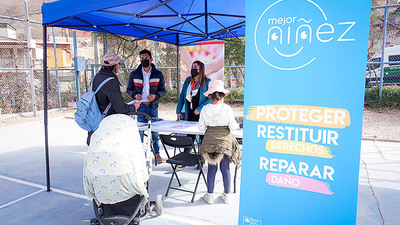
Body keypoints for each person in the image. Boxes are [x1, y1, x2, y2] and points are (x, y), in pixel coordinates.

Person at [198, 80, 241, 204]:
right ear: (222, 95)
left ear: (210, 95)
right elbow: (233, 127)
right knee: (225, 168)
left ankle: (209, 195)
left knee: (212, 169)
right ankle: (227, 195)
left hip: (209, 141)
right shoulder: (227, 108)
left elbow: (201, 128)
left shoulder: (205, 109)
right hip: (225, 142)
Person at [87, 52, 141, 146]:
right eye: (119, 64)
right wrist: (134, 106)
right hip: (107, 126)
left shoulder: (97, 77)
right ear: (114, 65)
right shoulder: (111, 81)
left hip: (95, 121)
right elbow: (121, 108)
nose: (120, 66)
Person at [127, 49, 166, 163]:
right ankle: (139, 154)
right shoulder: (134, 74)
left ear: (151, 59)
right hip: (140, 107)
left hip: (153, 106)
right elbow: (128, 90)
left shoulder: (158, 74)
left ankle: (157, 154)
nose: (144, 60)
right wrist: (134, 95)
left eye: (146, 58)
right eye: (142, 59)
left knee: (154, 130)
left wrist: (155, 95)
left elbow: (163, 91)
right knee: (139, 130)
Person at [176, 60, 211, 155]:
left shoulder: (207, 82)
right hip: (190, 113)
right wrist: (178, 111)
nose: (193, 69)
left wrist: (199, 108)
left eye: (195, 67)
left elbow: (210, 99)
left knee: (202, 138)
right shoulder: (188, 80)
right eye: (192, 67)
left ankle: (201, 159)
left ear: (201, 69)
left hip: (202, 115)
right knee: (189, 137)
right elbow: (182, 97)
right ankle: (186, 157)